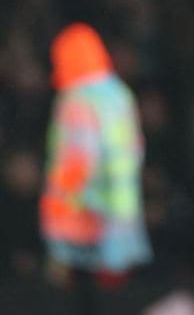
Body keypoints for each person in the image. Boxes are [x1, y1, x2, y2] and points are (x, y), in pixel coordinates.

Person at [40, 23, 152, 315]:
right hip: (121, 214)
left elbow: (76, 161)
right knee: (115, 295)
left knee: (80, 299)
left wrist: (59, 214)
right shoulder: (119, 94)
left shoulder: (77, 99)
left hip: (83, 216)